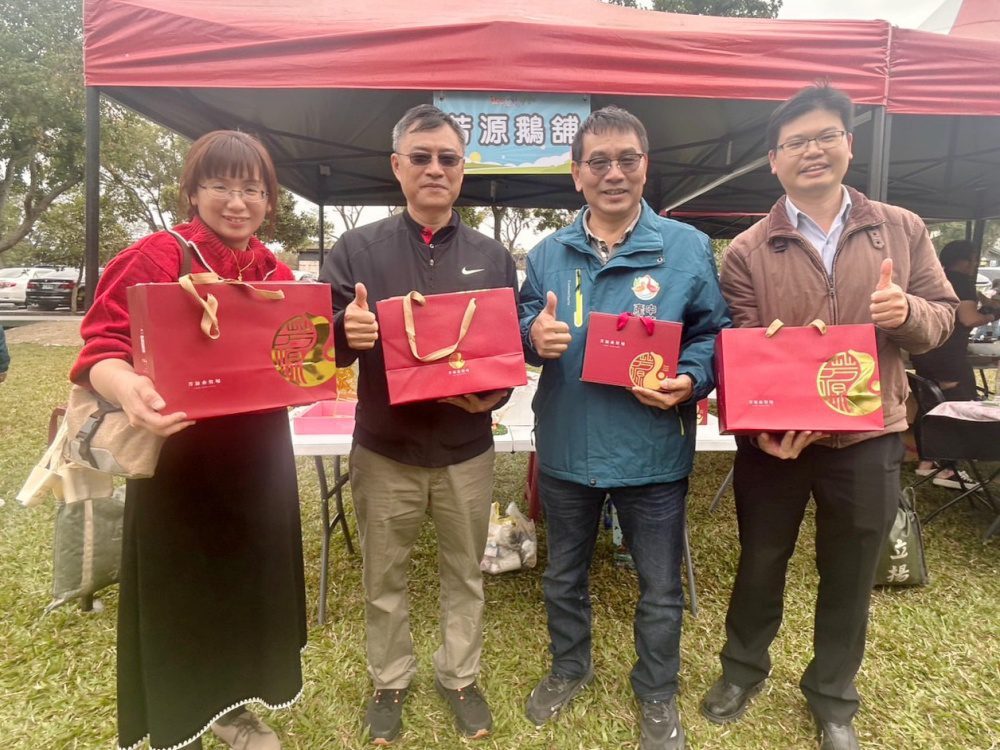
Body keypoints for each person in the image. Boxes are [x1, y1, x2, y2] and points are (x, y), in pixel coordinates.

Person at [701, 83, 957, 750]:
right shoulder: (748, 250)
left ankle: (833, 697)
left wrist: (907, 315)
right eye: (795, 142)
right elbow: (747, 342)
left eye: (824, 137)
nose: (811, 151)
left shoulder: (900, 228)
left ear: (849, 144)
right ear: (773, 160)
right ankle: (742, 669)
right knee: (761, 559)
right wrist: (765, 422)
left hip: (869, 435)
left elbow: (942, 317)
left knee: (850, 568)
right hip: (778, 442)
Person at [71, 131, 306, 750]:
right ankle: (177, 720)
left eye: (251, 189)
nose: (237, 202)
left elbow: (301, 351)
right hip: (180, 463)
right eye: (221, 186)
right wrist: (128, 392)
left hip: (259, 463)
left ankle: (232, 712)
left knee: (246, 591)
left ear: (268, 198)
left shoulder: (271, 269)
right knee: (184, 594)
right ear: (193, 190)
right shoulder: (155, 256)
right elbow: (99, 350)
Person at [518, 106, 731, 750]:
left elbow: (711, 334)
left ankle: (657, 692)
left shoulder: (686, 247)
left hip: (653, 450)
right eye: (599, 161)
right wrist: (534, 335)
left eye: (627, 160)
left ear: (646, 166)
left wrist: (691, 380)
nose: (614, 173)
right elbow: (521, 329)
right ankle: (569, 667)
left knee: (661, 586)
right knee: (563, 574)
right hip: (567, 445)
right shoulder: (547, 254)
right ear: (576, 173)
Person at [320, 104, 517, 745]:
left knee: (465, 572)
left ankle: (459, 675)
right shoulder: (356, 250)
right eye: (423, 157)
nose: (436, 169)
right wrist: (345, 338)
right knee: (384, 575)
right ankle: (390, 678)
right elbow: (317, 348)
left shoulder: (494, 257)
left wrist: (489, 402)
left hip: (466, 449)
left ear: (463, 170)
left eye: (449, 159)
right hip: (385, 449)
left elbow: (503, 357)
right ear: (397, 166)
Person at [910, 240, 998, 485]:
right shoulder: (961, 282)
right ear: (968, 259)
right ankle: (949, 467)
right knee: (960, 408)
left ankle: (927, 463)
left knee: (931, 403)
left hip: (925, 351)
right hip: (949, 356)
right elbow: (969, 319)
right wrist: (992, 314)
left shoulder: (933, 278)